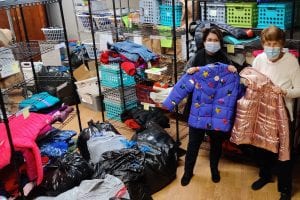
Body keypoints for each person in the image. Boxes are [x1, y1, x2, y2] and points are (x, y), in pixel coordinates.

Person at [178, 27, 237, 186]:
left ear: (220, 42)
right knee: (194, 142)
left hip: (217, 110)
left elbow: (232, 83)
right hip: (198, 109)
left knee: (216, 143)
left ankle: (214, 169)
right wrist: (189, 73)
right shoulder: (196, 58)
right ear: (204, 42)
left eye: (215, 40)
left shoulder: (225, 60)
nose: (212, 43)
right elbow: (185, 79)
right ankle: (188, 172)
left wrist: (233, 71)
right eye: (209, 40)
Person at [250, 26, 300, 200]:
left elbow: (299, 89)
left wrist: (284, 92)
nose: (271, 48)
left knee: (283, 153)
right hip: (263, 112)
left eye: (275, 43)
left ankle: (285, 189)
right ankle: (265, 176)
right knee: (262, 148)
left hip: (283, 116)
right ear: (263, 44)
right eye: (268, 44)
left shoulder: (291, 61)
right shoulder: (259, 60)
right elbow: (252, 80)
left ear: (282, 44)